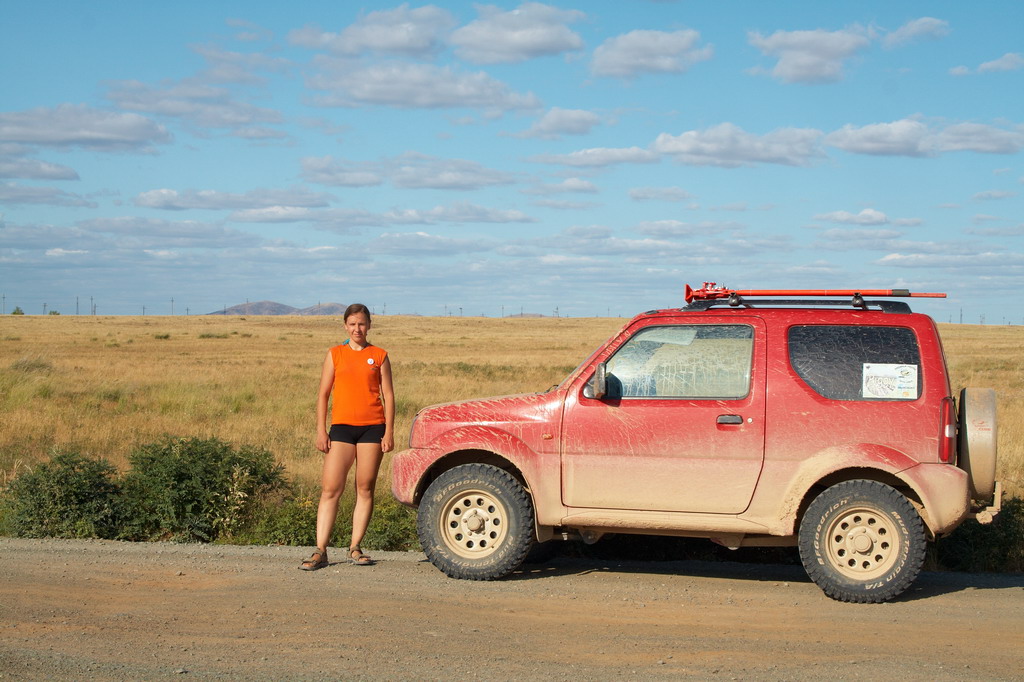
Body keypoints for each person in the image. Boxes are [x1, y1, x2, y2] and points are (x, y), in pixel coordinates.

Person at [300, 303, 395, 570]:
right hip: (341, 428)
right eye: (352, 324)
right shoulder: (335, 354)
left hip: (372, 428)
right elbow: (323, 394)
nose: (357, 329)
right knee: (331, 489)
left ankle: (355, 547)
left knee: (364, 488)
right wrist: (321, 430)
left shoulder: (379, 355)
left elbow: (388, 396)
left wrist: (389, 431)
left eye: (362, 324)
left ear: (369, 325)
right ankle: (320, 550)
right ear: (345, 325)